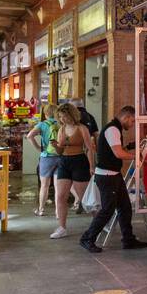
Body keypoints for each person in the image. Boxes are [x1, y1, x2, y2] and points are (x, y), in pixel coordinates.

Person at [80, 105, 147, 252]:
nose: (133, 123)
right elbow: (118, 153)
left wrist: (130, 147)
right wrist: (136, 156)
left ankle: (128, 240)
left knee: (125, 207)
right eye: (132, 121)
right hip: (107, 176)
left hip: (113, 175)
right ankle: (87, 238)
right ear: (126, 117)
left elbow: (115, 149)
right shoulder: (112, 129)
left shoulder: (115, 129)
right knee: (108, 210)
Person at [50, 102, 93, 239]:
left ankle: (99, 221)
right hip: (64, 161)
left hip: (79, 161)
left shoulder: (81, 128)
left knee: (84, 198)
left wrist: (92, 166)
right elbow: (60, 150)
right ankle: (62, 227)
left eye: (65, 116)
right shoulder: (61, 129)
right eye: (60, 116)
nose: (62, 119)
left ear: (71, 115)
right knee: (60, 196)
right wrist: (55, 145)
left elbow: (89, 148)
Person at [25, 103, 59, 216]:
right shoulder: (61, 124)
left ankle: (41, 209)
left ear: (45, 113)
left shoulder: (42, 125)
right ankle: (58, 210)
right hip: (60, 156)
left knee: (44, 185)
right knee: (58, 186)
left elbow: (29, 136)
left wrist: (39, 148)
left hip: (46, 157)